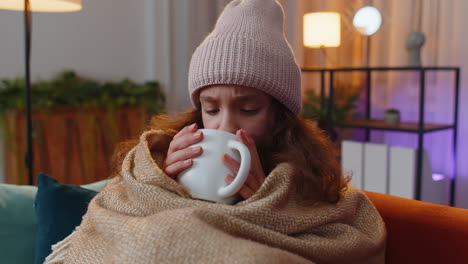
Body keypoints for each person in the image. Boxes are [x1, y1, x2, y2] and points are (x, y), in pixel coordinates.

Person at [45, 0, 386, 263]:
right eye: (211, 108)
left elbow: (348, 240)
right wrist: (162, 182)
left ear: (279, 114)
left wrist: (268, 203)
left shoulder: (310, 182)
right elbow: (118, 212)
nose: (225, 125)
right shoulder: (163, 154)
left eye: (248, 109)